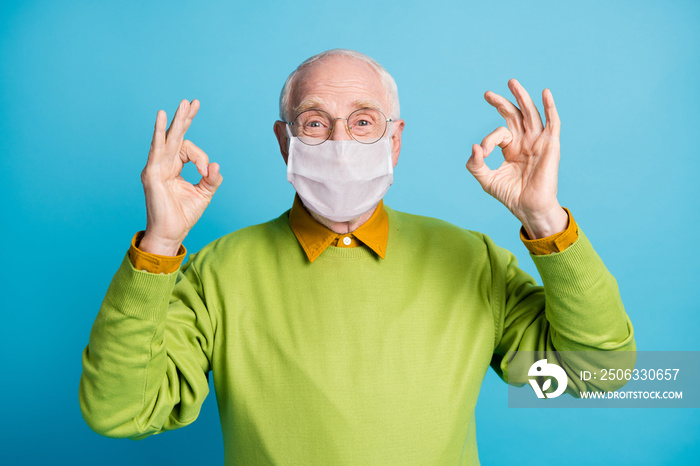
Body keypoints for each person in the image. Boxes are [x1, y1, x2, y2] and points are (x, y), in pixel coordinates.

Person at [80, 49, 635, 464]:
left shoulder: (471, 261)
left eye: (364, 121)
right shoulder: (218, 272)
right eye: (315, 123)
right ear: (284, 141)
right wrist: (158, 242)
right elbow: (120, 410)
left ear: (394, 141)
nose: (341, 141)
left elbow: (597, 373)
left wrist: (544, 218)